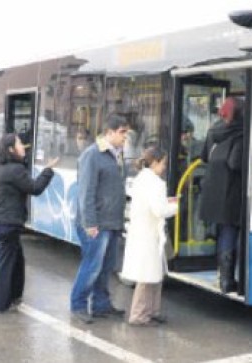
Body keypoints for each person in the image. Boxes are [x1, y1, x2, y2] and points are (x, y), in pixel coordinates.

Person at [0, 133, 59, 312]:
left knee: (16, 259)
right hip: (6, 224)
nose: (24, 147)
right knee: (5, 263)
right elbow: (35, 188)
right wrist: (47, 170)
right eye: (20, 144)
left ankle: (15, 296)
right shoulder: (15, 170)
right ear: (10, 149)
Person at [70, 113, 130, 324]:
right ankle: (78, 304)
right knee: (92, 266)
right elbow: (86, 192)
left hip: (112, 221)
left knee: (106, 266)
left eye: (127, 133)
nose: (125, 137)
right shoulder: (92, 155)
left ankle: (101, 305)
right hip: (96, 223)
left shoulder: (118, 154)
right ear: (109, 133)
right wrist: (89, 223)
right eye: (122, 132)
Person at [121, 146, 178, 327]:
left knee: (154, 273)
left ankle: (152, 311)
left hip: (143, 232)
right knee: (147, 276)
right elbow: (159, 210)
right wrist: (175, 206)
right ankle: (139, 315)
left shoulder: (141, 178)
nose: (164, 167)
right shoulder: (156, 183)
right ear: (155, 162)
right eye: (163, 163)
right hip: (149, 235)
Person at [198, 97, 244, 294]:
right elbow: (235, 163)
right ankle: (227, 279)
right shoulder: (241, 132)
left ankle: (222, 276)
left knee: (223, 231)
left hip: (212, 190)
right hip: (231, 191)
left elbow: (204, 156)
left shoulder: (214, 130)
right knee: (230, 232)